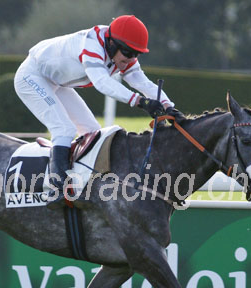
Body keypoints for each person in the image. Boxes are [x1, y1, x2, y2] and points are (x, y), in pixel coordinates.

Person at [14, 14, 185, 209]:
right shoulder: (92, 45)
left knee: (92, 132)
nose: (131, 58)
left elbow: (142, 82)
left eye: (137, 54)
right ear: (111, 44)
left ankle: (84, 183)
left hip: (56, 82)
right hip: (32, 76)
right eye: (128, 52)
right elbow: (102, 82)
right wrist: (140, 101)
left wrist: (169, 107)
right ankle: (57, 189)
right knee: (64, 129)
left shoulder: (121, 51)